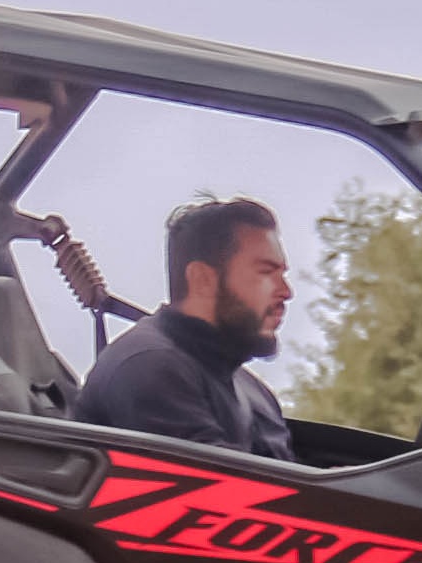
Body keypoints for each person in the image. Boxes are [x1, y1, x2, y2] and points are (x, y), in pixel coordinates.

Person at [77, 197, 294, 459]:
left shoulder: (251, 388)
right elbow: (220, 494)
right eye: (265, 272)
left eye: (283, 274)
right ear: (203, 279)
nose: (286, 292)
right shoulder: (149, 368)